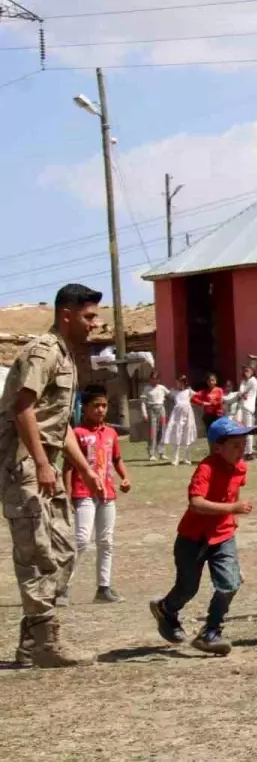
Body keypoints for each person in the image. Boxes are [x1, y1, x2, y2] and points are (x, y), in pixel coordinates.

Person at [0, 283, 104, 668]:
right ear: (66, 314)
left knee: (62, 549)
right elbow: (22, 408)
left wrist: (86, 469)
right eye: (89, 316)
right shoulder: (42, 352)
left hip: (44, 464)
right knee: (36, 553)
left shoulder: (66, 355)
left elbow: (56, 427)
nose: (96, 323)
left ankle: (33, 641)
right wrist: (43, 463)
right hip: (24, 467)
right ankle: (44, 640)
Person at [149, 416, 257, 657]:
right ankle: (166, 610)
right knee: (188, 588)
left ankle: (210, 633)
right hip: (192, 539)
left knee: (230, 584)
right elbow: (196, 503)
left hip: (223, 536)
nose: (242, 450)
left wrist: (232, 519)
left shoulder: (241, 467)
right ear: (217, 448)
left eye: (244, 444)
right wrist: (233, 509)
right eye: (236, 445)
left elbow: (233, 491)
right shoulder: (206, 469)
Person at [66, 384, 131, 605]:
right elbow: (68, 466)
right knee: (82, 540)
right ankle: (62, 588)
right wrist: (67, 494)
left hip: (107, 493)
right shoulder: (76, 434)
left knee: (106, 541)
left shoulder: (111, 433)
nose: (101, 410)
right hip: (83, 491)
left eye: (104, 405)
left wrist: (124, 477)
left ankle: (103, 588)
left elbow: (116, 459)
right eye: (96, 406)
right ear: (84, 408)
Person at [163, 374, 198, 466]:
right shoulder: (173, 392)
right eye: (178, 381)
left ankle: (186, 457)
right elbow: (165, 393)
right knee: (177, 434)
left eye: (182, 381)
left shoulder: (189, 391)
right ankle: (175, 458)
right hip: (177, 415)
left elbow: (198, 395)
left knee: (187, 433)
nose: (179, 383)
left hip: (188, 414)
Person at [141, 371, 170, 461]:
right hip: (151, 410)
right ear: (150, 379)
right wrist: (144, 413)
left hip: (161, 409)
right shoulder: (146, 388)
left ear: (159, 379)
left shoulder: (162, 388)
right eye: (153, 378)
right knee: (152, 432)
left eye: (156, 379)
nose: (154, 380)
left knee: (162, 430)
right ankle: (151, 453)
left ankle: (161, 452)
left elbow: (170, 394)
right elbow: (143, 402)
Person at [236, 366, 257, 460]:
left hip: (248, 407)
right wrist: (241, 393)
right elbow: (240, 393)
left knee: (248, 429)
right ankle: (243, 451)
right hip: (241, 407)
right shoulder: (244, 381)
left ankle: (249, 452)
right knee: (240, 429)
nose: (245, 373)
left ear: (252, 372)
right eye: (244, 371)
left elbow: (243, 392)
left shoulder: (253, 380)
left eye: (247, 371)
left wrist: (241, 393)